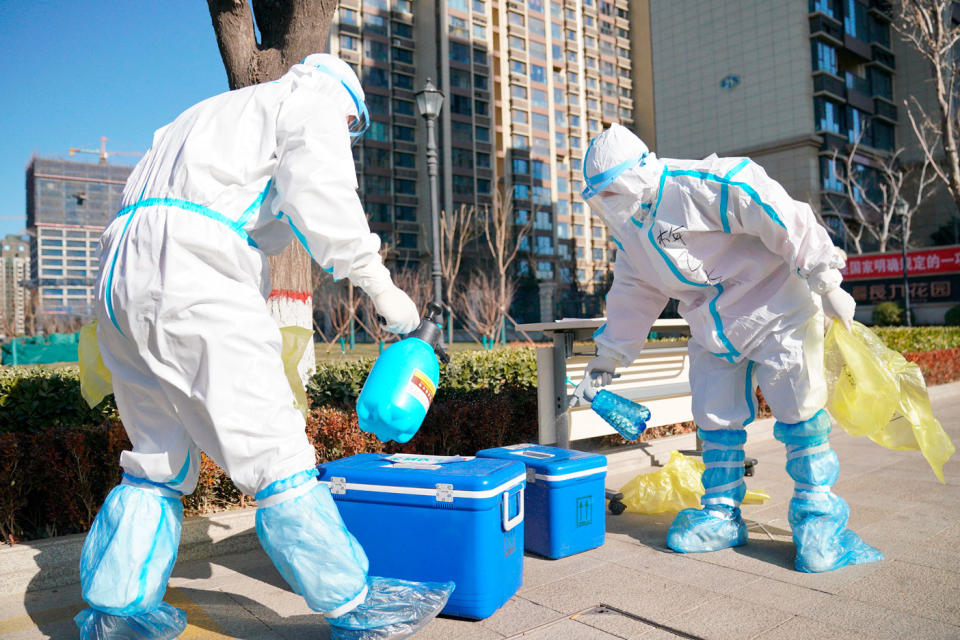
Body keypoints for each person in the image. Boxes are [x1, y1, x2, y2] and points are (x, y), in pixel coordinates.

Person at [76, 54, 453, 640]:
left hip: (119, 277)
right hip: (194, 275)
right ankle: (355, 604)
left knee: (156, 458)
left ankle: (117, 609)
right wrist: (389, 297)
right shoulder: (312, 105)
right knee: (276, 452)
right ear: (348, 110)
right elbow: (326, 206)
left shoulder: (210, 112)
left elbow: (269, 218)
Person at [578, 123, 883, 573]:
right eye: (600, 196)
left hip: (776, 307)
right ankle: (720, 513)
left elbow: (772, 208)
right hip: (711, 325)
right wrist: (609, 356)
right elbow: (632, 291)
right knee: (715, 417)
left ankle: (819, 519)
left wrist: (824, 274)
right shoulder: (632, 232)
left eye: (613, 191)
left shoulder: (699, 184)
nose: (608, 204)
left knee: (799, 411)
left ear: (640, 172)